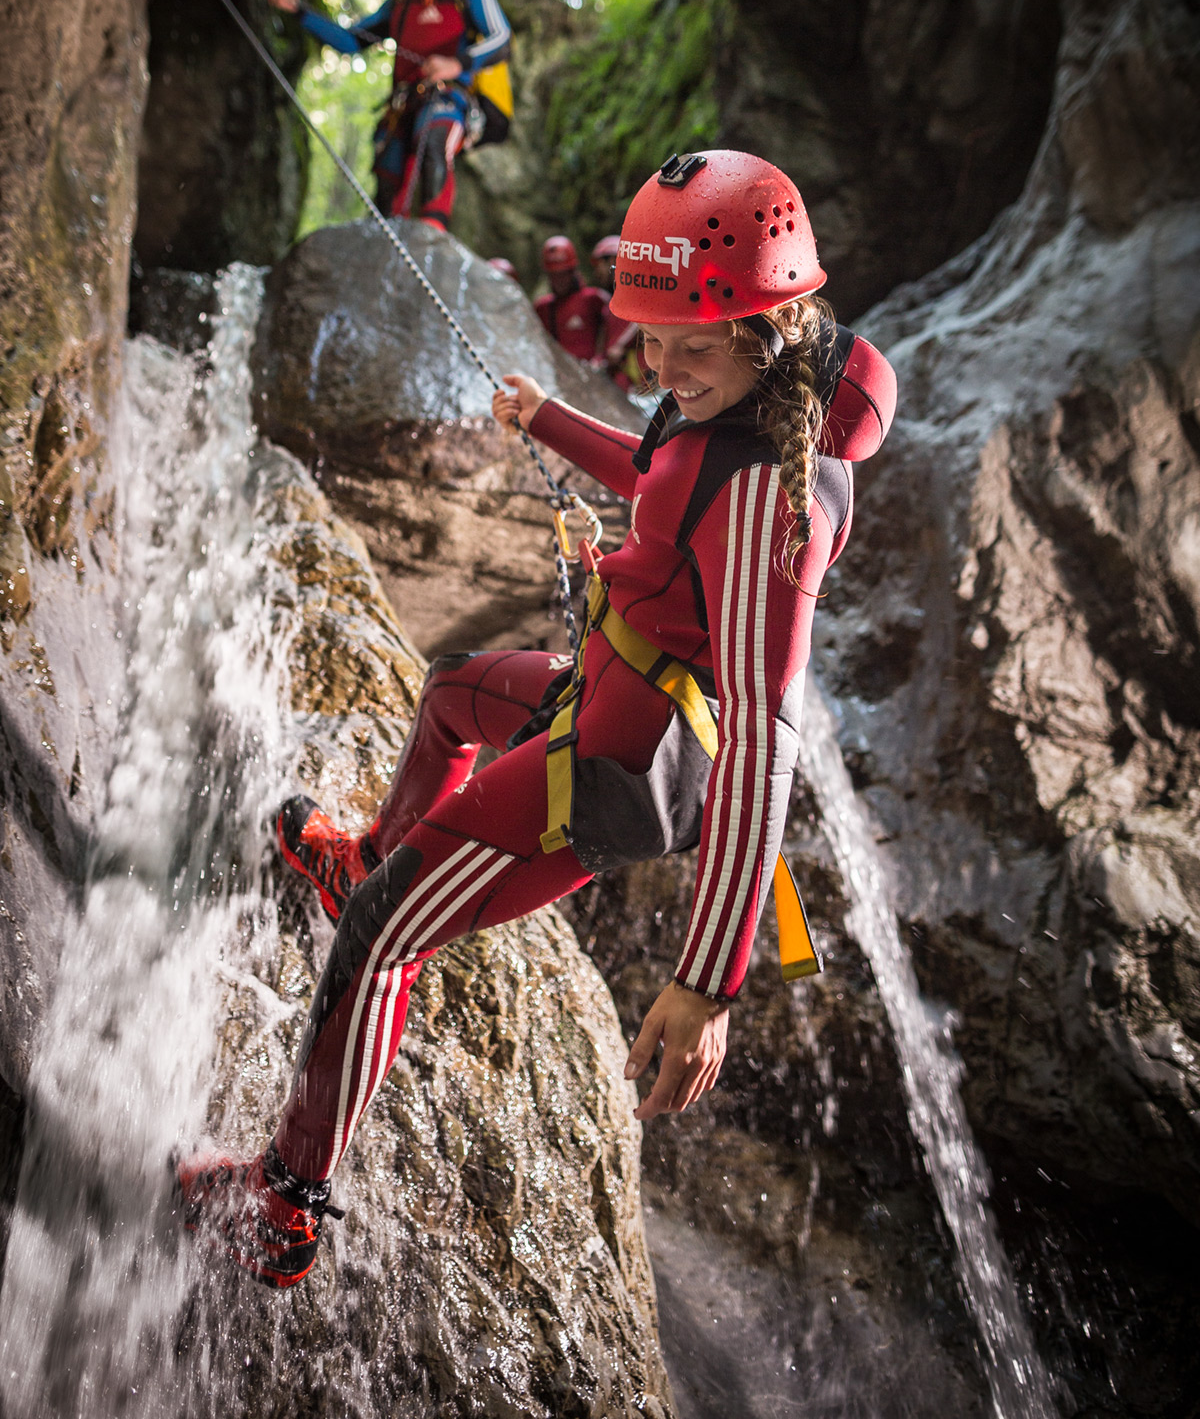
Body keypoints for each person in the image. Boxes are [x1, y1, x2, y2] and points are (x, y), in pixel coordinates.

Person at [176, 149, 897, 1287]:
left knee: (377, 937)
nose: (661, 365)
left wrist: (709, 979)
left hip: (619, 767)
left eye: (688, 348)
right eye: (649, 339)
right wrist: (551, 421)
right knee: (455, 690)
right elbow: (662, 469)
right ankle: (367, 852)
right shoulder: (735, 395)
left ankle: (286, 1200)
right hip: (606, 687)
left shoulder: (774, 492)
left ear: (770, 323)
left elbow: (765, 731)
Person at [264, 0, 511, 230]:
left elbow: (502, 39)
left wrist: (457, 63)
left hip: (447, 100)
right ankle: (385, 252)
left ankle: (433, 241)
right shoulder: (400, 6)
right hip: (401, 111)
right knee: (387, 183)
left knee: (435, 143)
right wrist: (298, 9)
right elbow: (351, 42)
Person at [533, 235, 609, 363]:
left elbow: (614, 331)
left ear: (572, 271)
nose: (559, 281)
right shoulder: (543, 308)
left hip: (595, 375)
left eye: (563, 274)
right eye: (554, 275)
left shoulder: (595, 299)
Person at [591, 233, 645, 390]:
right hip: (619, 383)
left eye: (599, 265)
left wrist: (620, 346)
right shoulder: (611, 304)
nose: (597, 272)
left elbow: (639, 322)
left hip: (636, 381)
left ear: (613, 261)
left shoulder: (637, 296)